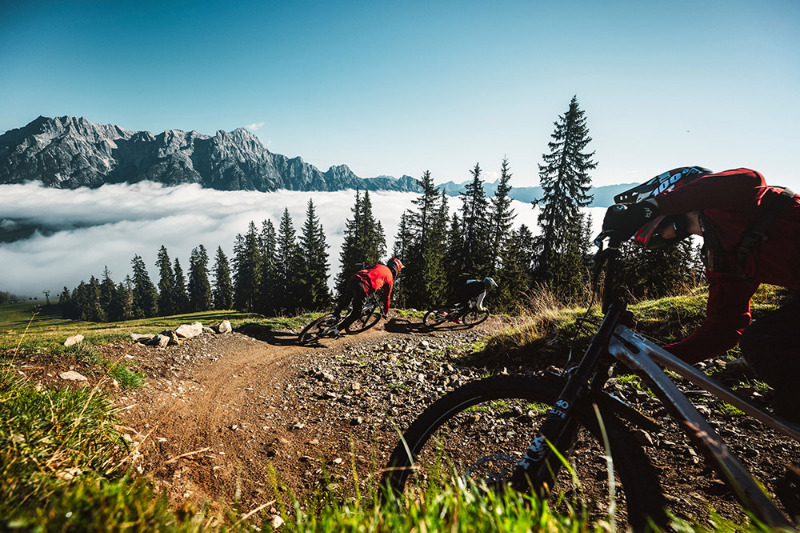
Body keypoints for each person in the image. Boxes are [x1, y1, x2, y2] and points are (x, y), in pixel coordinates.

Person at [602, 166, 800, 419]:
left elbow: (748, 178)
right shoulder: (723, 257)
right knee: (767, 348)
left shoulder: (739, 200)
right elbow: (723, 330)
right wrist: (650, 360)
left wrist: (651, 207)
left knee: (765, 340)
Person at [333, 257, 403, 333]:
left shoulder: (379, 265)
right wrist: (385, 312)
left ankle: (333, 317)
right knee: (356, 313)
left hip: (354, 279)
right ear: (396, 269)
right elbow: (386, 297)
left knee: (345, 302)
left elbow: (368, 269)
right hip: (362, 286)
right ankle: (337, 330)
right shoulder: (389, 278)